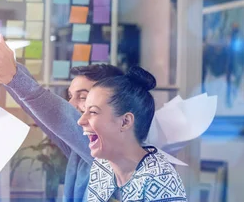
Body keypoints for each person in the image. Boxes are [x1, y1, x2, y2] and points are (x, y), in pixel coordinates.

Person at [0, 0, 122, 201]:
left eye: (83, 97)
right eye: (70, 96)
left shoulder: (110, 148)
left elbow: (53, 111)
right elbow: (41, 112)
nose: (71, 105)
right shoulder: (82, 149)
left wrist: (11, 74)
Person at [78, 66, 186, 201]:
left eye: (93, 112)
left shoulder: (161, 180)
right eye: (84, 111)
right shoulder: (101, 167)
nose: (81, 121)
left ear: (125, 122)